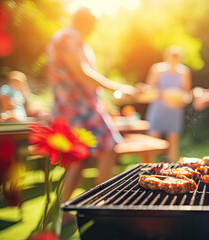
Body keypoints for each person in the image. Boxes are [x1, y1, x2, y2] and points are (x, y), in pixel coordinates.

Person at [46, 7, 137, 221]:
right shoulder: (68, 37)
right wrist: (118, 86)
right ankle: (98, 204)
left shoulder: (72, 39)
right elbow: (81, 73)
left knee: (79, 158)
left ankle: (64, 210)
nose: (94, 29)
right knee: (109, 147)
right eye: (93, 24)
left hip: (78, 107)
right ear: (86, 22)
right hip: (76, 109)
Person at [145, 46, 192, 163]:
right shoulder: (157, 69)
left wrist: (181, 99)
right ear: (167, 58)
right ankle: (150, 165)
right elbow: (149, 88)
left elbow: (187, 92)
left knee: (173, 139)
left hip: (175, 110)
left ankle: (171, 165)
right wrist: (162, 94)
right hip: (158, 107)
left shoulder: (184, 72)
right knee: (153, 137)